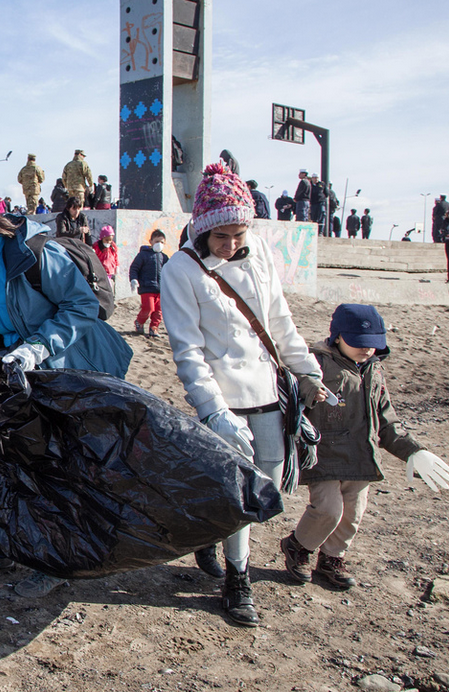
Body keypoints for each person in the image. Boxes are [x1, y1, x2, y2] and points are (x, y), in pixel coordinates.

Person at [0, 191, 134, 599]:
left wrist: (37, 346)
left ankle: (58, 561)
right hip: (20, 374)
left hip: (73, 370)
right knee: (10, 461)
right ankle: (5, 547)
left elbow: (82, 306)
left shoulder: (34, 252)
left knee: (65, 470)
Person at [159, 162, 327, 627]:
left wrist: (307, 372)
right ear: (202, 229)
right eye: (221, 236)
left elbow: (280, 323)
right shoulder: (181, 270)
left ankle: (213, 537)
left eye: (239, 234)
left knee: (266, 485)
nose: (231, 245)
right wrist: (214, 411)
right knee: (240, 491)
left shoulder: (260, 255)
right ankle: (239, 577)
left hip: (268, 393)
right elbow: (188, 351)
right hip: (224, 399)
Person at [279, 304, 449, 589]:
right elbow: (292, 385)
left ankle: (332, 557)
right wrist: (308, 388)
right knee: (328, 509)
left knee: (353, 513)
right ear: (337, 337)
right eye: (358, 342)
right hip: (325, 456)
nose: (366, 349)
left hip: (361, 456)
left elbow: (386, 421)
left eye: (372, 343)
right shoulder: (317, 362)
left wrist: (414, 450)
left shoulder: (375, 370)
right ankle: (299, 546)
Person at [129, 229, 169, 337]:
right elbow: (134, 268)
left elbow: (169, 272)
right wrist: (133, 279)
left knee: (159, 311)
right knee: (149, 308)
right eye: (157, 241)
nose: (159, 244)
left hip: (161, 289)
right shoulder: (143, 255)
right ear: (151, 241)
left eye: (162, 242)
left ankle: (154, 328)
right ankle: (139, 322)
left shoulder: (164, 257)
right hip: (146, 288)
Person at [94, 225, 119, 291]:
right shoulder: (97, 246)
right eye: (106, 240)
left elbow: (115, 256)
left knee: (108, 284)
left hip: (109, 270)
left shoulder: (112, 246)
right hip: (100, 269)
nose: (108, 242)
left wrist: (117, 265)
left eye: (110, 240)